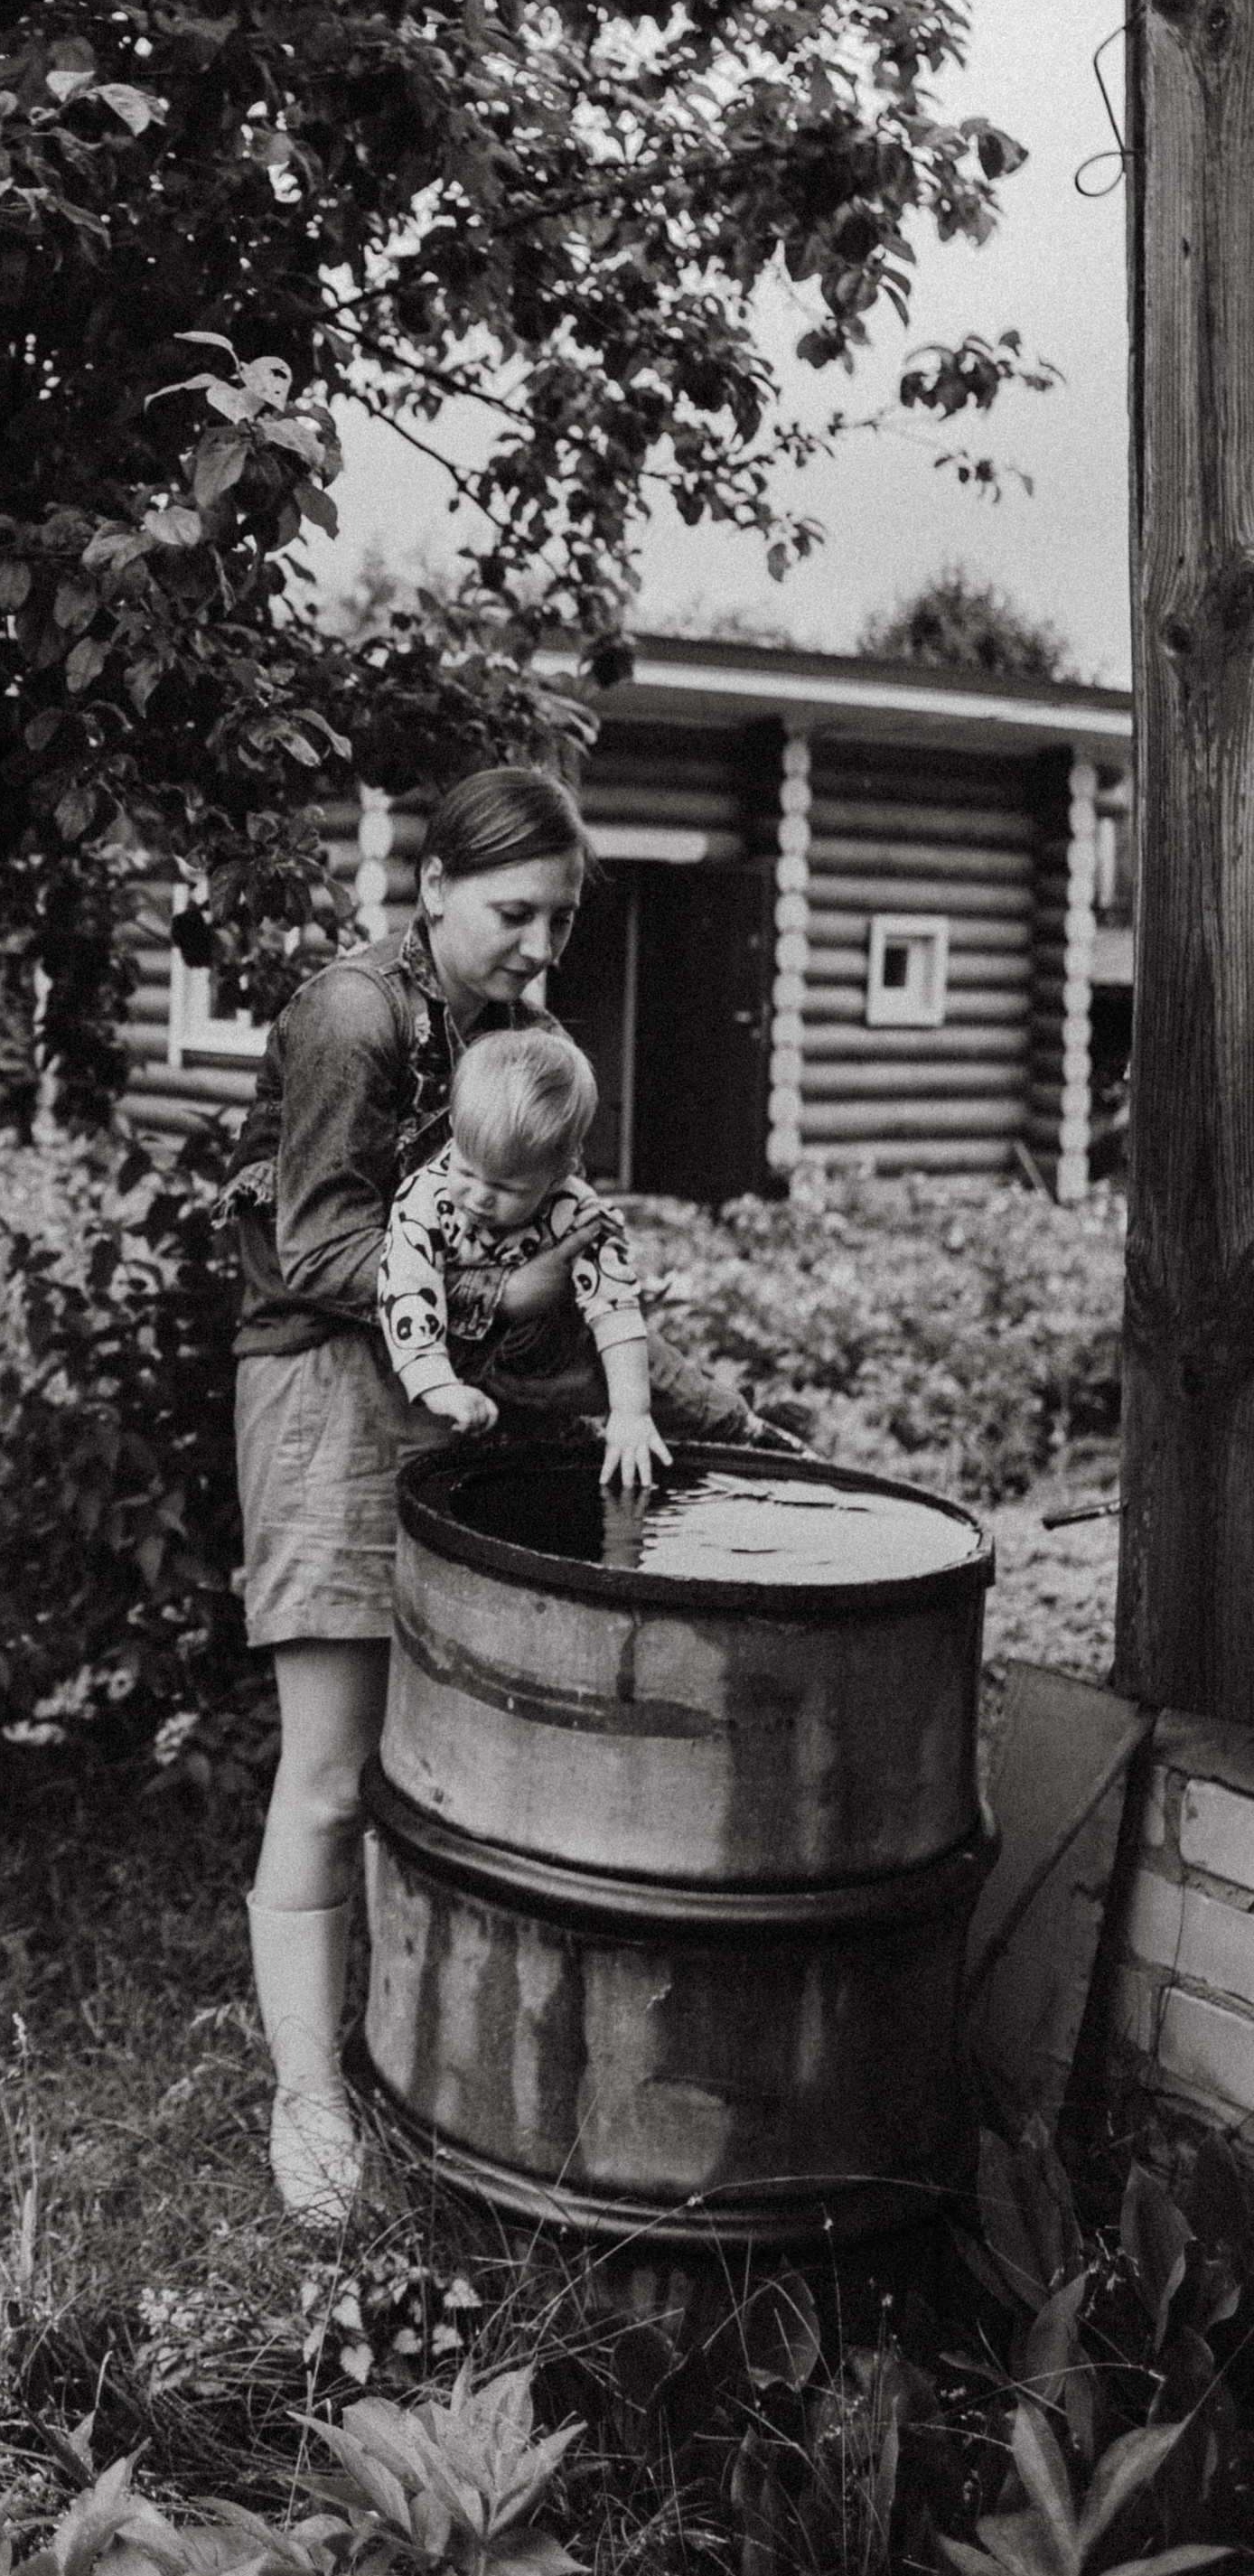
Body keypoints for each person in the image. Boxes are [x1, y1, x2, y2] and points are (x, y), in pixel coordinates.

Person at [220, 765, 777, 2229]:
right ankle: (309, 2101)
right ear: (435, 891)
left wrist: (702, 1403)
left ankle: (445, 2055)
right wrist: (492, 1297)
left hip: (467, 1381)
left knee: (474, 1751)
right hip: (332, 1394)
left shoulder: (528, 1048)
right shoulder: (354, 1019)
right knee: (335, 1766)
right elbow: (322, 1251)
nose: (540, 949)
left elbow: (586, 1275)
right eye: (516, 915)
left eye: (563, 922)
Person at [378, 1026, 752, 1487]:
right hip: (473, 1357)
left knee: (672, 1385)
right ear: (454, 1130)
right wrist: (437, 1384)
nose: (477, 1199)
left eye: (506, 1188)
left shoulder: (578, 1214)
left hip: (565, 1346)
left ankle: (751, 1433)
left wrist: (630, 1413)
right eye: (467, 1172)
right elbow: (408, 1289)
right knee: (489, 1462)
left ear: (560, 1172)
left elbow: (616, 1313)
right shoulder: (423, 1199)